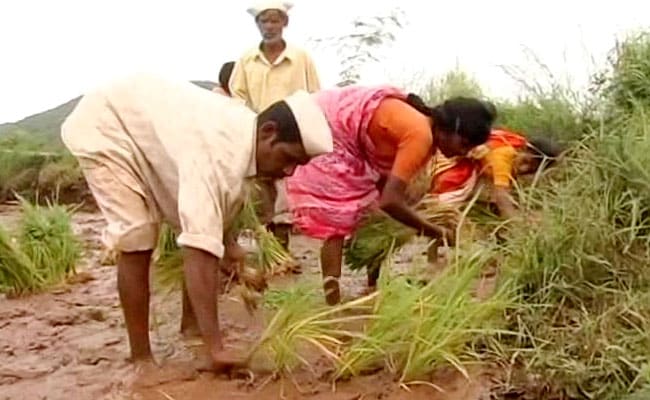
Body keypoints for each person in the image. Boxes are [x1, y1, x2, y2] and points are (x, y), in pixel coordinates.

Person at [60, 73, 333, 372]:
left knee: (203, 235)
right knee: (137, 234)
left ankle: (192, 328)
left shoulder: (244, 135)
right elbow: (200, 249)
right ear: (269, 132)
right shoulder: (219, 156)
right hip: (106, 124)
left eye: (299, 165)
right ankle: (142, 360)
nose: (289, 171)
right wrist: (217, 349)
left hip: (146, 126)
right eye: (289, 158)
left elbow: (216, 222)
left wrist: (232, 250)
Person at [285, 85, 496, 305]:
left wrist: (389, 213)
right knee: (338, 218)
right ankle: (333, 305)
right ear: (449, 129)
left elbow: (385, 191)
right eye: (463, 144)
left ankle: (371, 286)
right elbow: (391, 201)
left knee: (379, 222)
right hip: (328, 127)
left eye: (470, 147)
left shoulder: (426, 135)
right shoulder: (420, 135)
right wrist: (435, 230)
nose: (464, 152)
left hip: (346, 135)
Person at [229, 0, 321, 250]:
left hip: (291, 136)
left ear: (284, 23)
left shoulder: (300, 58)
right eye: (264, 21)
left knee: (285, 197)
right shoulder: (248, 59)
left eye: (274, 20)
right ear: (257, 24)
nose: (269, 26)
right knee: (259, 195)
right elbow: (237, 97)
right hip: (258, 135)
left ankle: (283, 252)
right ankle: (265, 254)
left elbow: (314, 95)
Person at [430, 129, 564, 219]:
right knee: (442, 213)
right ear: (523, 149)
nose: (524, 169)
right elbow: (502, 196)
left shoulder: (513, 158)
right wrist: (518, 227)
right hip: (446, 170)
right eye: (526, 161)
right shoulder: (504, 155)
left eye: (531, 169)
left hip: (477, 178)